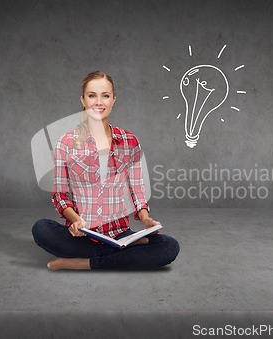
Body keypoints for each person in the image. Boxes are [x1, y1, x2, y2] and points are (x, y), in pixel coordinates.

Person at [32, 71, 180, 270]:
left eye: (105, 95)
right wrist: (76, 221)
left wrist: (145, 219)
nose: (98, 102)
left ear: (113, 100)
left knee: (169, 247)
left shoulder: (129, 141)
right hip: (83, 235)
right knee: (41, 229)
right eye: (92, 95)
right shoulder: (66, 143)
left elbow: (136, 190)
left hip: (119, 234)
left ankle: (85, 263)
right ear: (83, 100)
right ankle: (123, 255)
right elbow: (59, 195)